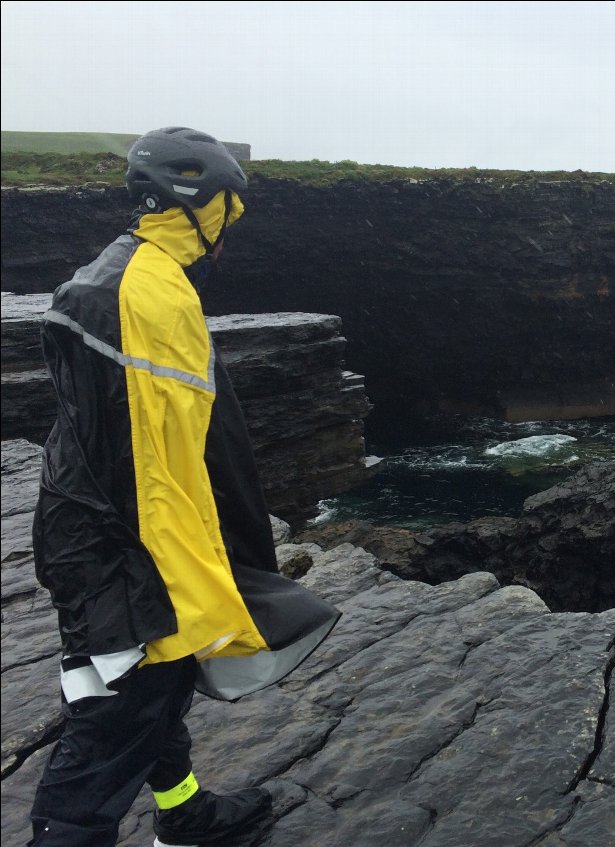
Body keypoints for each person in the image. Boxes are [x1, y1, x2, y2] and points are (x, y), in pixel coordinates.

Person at [28, 127, 342, 847]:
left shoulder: (121, 267)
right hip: (124, 554)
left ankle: (183, 810)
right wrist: (190, 591)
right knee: (113, 723)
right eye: (228, 214)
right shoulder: (151, 299)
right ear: (199, 206)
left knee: (152, 695)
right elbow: (158, 468)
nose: (230, 233)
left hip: (80, 526)